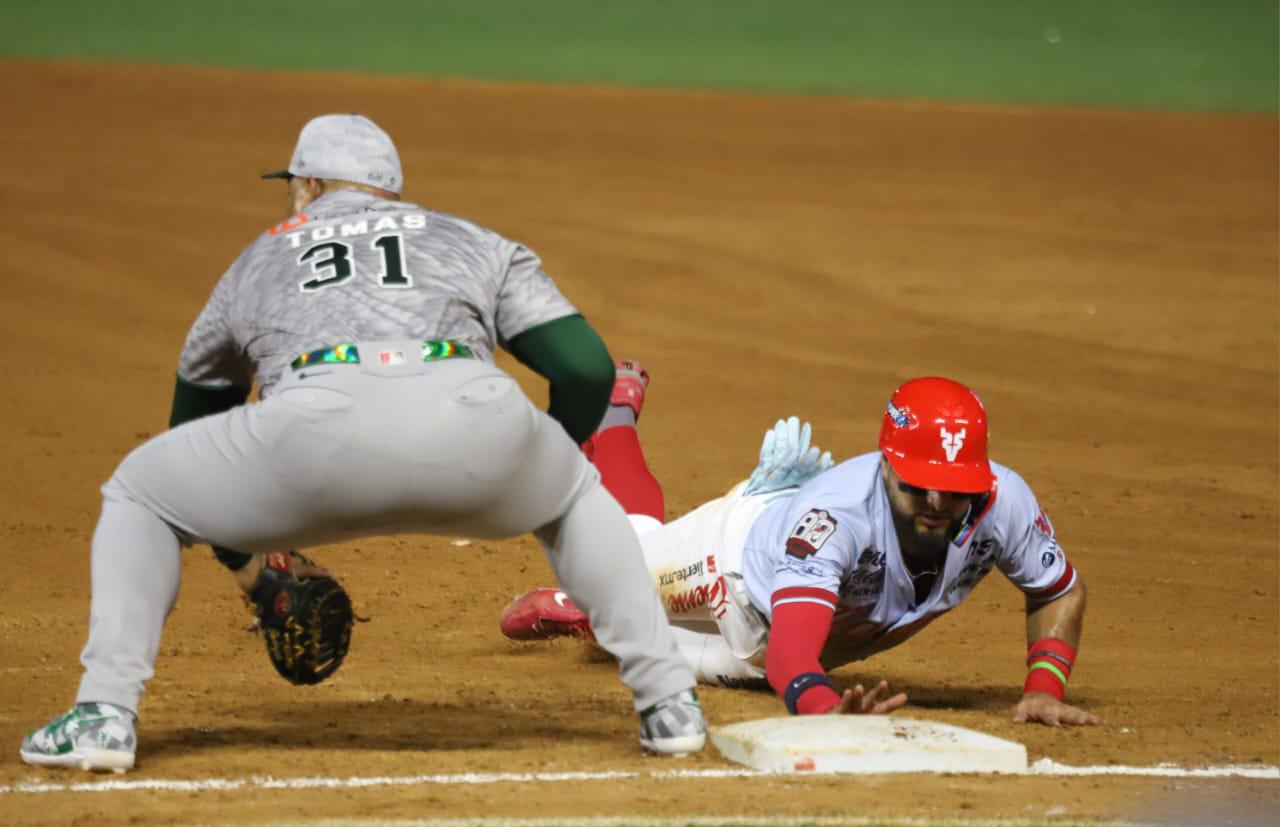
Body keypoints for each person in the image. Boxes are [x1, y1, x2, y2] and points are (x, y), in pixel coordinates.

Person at [20, 114, 705, 773]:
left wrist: (250, 565)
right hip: (474, 421)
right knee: (576, 494)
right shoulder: (468, 239)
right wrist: (543, 458)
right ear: (389, 193)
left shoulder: (260, 256)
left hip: (314, 434)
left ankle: (104, 713)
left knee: (141, 488)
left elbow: (195, 423)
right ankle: (669, 703)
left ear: (310, 187)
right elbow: (585, 367)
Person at [502, 368, 1100, 726]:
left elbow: (1059, 591)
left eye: (954, 488)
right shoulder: (836, 518)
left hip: (776, 647)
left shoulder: (1004, 502)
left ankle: (598, 617)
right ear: (886, 463)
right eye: (919, 485)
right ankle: (612, 416)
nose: (937, 502)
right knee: (626, 550)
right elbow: (794, 651)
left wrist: (1043, 689)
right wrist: (820, 709)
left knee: (641, 647)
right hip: (729, 567)